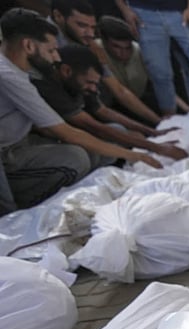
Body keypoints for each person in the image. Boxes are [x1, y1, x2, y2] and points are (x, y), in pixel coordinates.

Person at [0, 8, 158, 213]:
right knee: (76, 159)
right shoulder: (8, 76)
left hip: (22, 144)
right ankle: (29, 211)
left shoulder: (20, 71)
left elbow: (49, 127)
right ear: (28, 46)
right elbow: (66, 131)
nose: (56, 57)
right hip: (7, 154)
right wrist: (136, 155)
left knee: (96, 149)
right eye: (51, 51)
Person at [31, 42, 187, 165]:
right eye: (89, 82)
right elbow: (94, 127)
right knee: (81, 158)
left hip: (71, 136)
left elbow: (103, 111)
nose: (92, 88)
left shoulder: (76, 82)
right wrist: (156, 148)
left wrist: (152, 132)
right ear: (66, 71)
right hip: (43, 145)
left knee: (119, 130)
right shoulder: (49, 88)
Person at [48, 0, 163, 123]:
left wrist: (159, 122)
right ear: (58, 16)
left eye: (92, 27)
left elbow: (119, 90)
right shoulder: (43, 41)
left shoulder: (88, 43)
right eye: (82, 25)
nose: (90, 34)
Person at [112, 0, 189, 115]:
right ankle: (170, 122)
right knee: (159, 73)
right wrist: (125, 10)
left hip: (180, 10)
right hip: (143, 14)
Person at [97, 15, 189, 113]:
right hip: (111, 105)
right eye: (116, 47)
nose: (123, 53)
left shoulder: (140, 52)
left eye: (127, 48)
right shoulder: (96, 51)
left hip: (140, 99)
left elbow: (161, 84)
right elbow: (120, 93)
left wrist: (187, 108)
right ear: (105, 42)